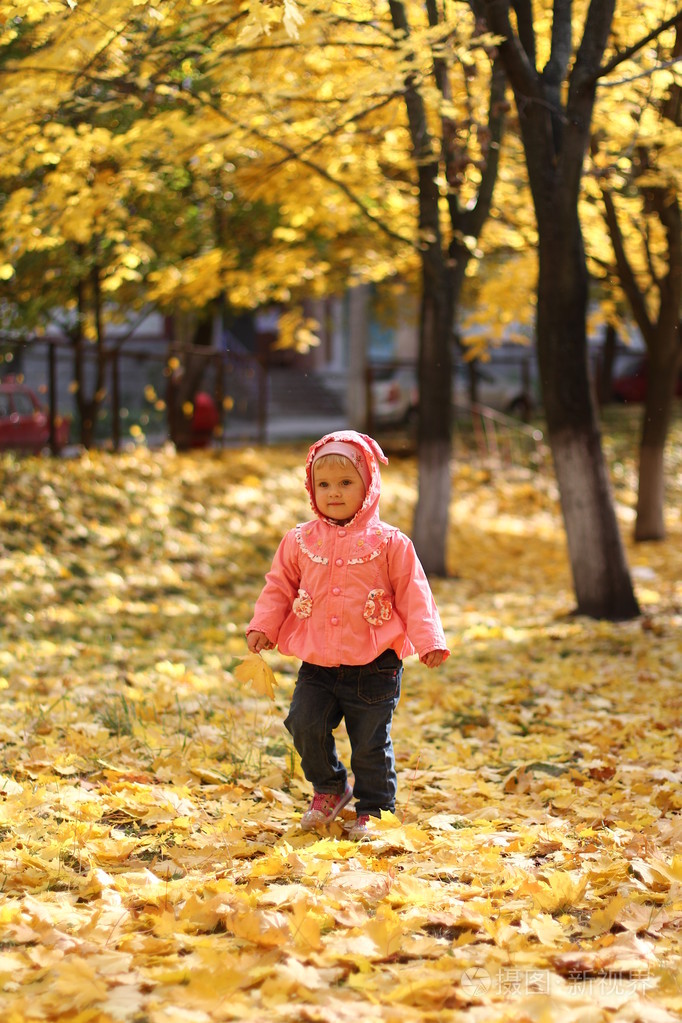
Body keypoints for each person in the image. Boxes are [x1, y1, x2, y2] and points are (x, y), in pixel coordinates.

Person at [246, 430, 449, 839]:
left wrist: (429, 640)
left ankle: (374, 810)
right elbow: (279, 586)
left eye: (345, 483)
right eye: (323, 484)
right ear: (310, 488)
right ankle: (330, 786)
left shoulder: (391, 543)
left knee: (370, 744)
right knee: (303, 723)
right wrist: (264, 625)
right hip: (317, 665)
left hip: (375, 667)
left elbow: (414, 592)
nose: (333, 493)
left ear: (369, 485)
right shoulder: (299, 541)